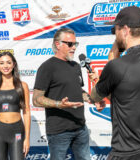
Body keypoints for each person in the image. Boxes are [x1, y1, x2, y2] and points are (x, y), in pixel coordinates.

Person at [88, 6, 140, 160]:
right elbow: (128, 100)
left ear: (125, 30)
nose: (115, 34)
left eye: (116, 30)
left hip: (127, 153)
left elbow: (95, 96)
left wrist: (113, 55)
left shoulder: (117, 65)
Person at [32, 28, 104, 160]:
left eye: (75, 44)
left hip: (80, 127)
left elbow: (78, 91)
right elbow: (36, 99)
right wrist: (59, 104)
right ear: (57, 44)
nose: (74, 47)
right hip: (59, 131)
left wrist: (92, 99)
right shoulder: (47, 67)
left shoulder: (76, 66)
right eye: (70, 44)